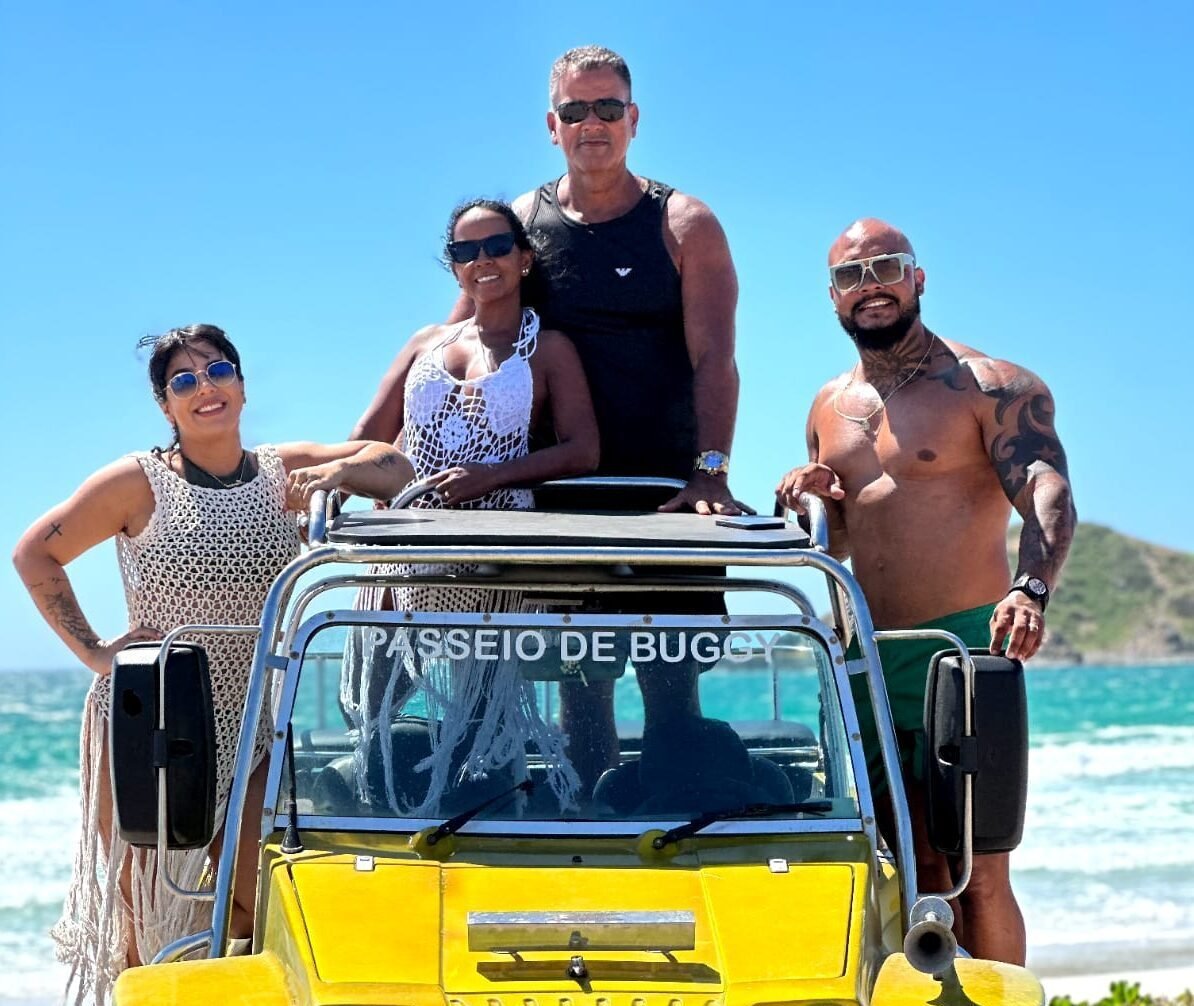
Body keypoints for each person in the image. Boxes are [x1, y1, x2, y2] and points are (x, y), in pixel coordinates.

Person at [12, 324, 412, 1004]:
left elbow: (395, 467)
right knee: (147, 917)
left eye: (218, 371)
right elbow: (34, 555)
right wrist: (95, 653)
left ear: (243, 386)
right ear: (166, 406)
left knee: (250, 899)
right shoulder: (137, 483)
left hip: (253, 718)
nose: (206, 389)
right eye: (185, 381)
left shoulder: (280, 474)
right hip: (154, 722)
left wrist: (341, 474)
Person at [775, 219, 1077, 965]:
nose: (868, 285)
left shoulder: (991, 386)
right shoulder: (826, 406)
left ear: (918, 278)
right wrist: (809, 498)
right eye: (850, 275)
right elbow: (842, 543)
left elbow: (1045, 488)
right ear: (832, 297)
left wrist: (1031, 589)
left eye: (886, 267)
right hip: (865, 658)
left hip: (962, 650)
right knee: (910, 867)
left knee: (980, 871)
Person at [349, 199, 599, 815]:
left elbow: (584, 450)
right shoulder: (424, 344)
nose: (482, 261)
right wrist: (354, 485)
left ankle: (485, 827)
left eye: (494, 247)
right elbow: (367, 437)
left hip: (497, 551)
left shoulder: (550, 349)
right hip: (408, 543)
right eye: (465, 251)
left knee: (483, 712)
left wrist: (492, 476)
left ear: (523, 258)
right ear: (453, 266)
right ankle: (382, 819)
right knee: (373, 701)